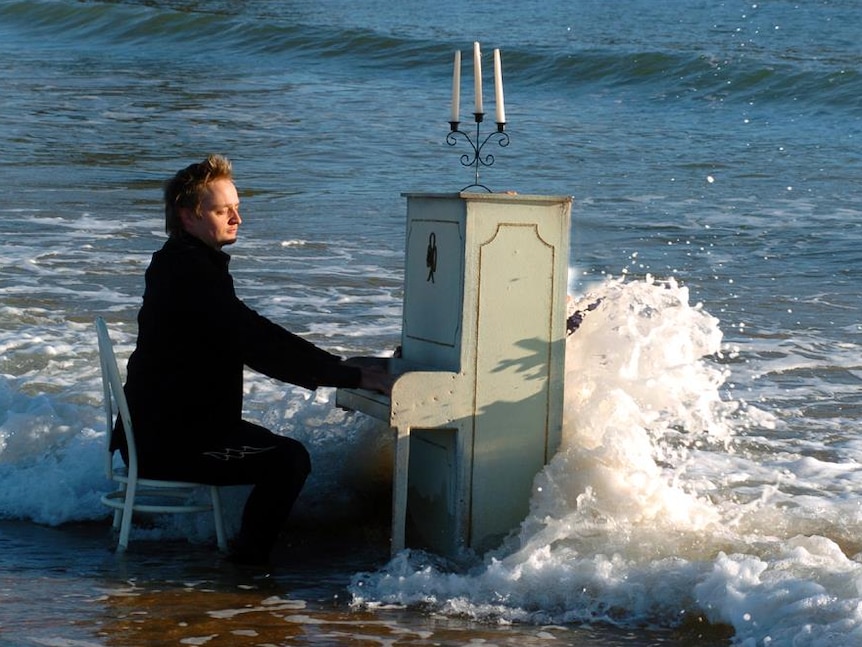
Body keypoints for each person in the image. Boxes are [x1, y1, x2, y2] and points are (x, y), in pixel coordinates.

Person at [113, 154, 392, 565]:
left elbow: (253, 330)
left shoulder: (182, 264)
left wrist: (340, 365)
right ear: (188, 216)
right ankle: (246, 570)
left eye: (237, 208)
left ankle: (246, 556)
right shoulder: (190, 274)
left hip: (165, 431)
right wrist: (352, 375)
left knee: (282, 456)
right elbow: (255, 343)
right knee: (289, 461)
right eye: (223, 210)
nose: (237, 218)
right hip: (174, 442)